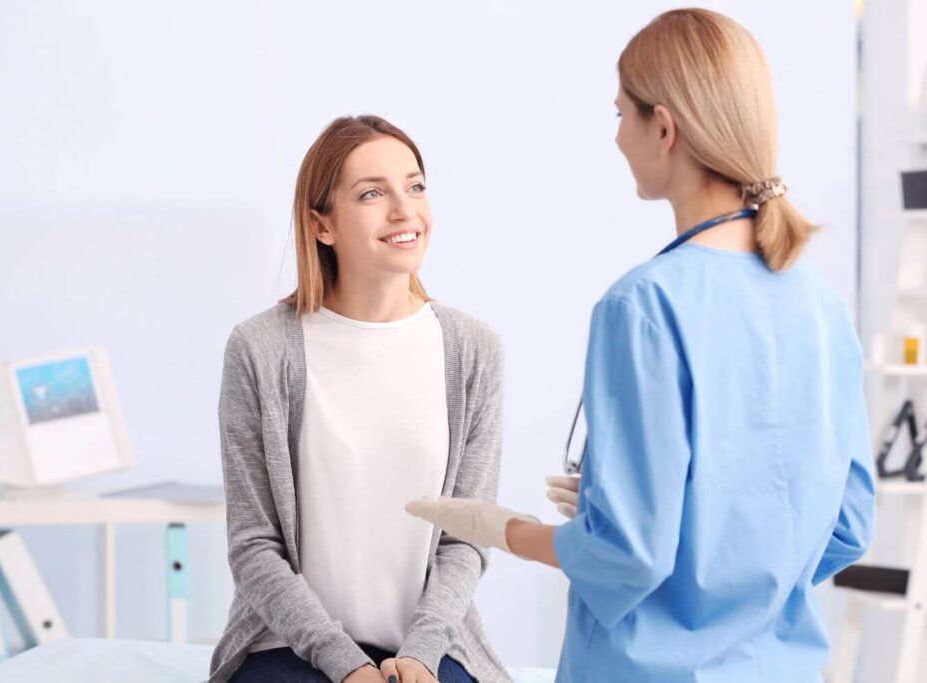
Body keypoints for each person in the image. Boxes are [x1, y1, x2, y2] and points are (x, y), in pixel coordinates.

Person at [406, 9, 876, 682]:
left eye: (622, 113)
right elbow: (847, 527)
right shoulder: (823, 305)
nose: (618, 136)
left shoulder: (644, 306)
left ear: (664, 128)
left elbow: (627, 555)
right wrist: (718, 546)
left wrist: (504, 527)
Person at [209, 115, 511, 683]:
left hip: (429, 646)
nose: (404, 210)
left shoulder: (473, 349)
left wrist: (421, 652)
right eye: (372, 193)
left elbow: (465, 539)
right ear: (322, 225)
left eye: (415, 186)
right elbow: (253, 546)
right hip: (288, 647)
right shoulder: (261, 348)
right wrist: (342, 661)